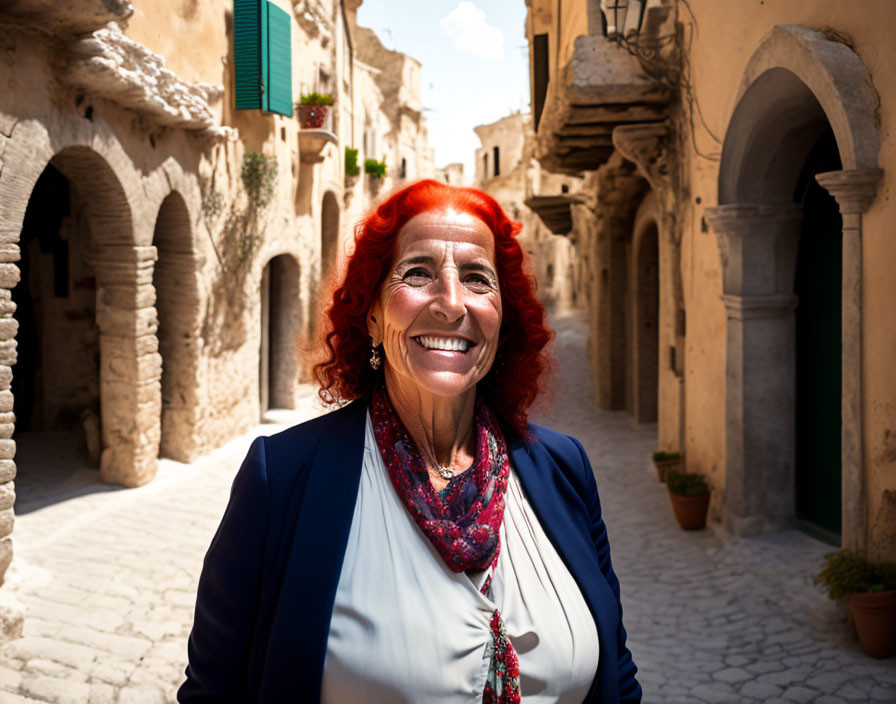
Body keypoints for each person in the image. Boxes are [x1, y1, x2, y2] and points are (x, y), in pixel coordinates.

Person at [178, 180, 641, 703]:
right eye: (417, 273)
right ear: (372, 314)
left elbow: (617, 678)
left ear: (502, 318)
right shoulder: (283, 478)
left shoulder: (562, 469)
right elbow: (213, 692)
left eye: (476, 279)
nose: (450, 303)